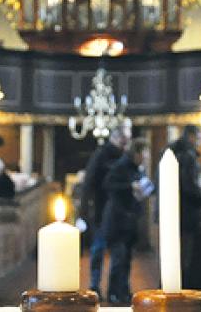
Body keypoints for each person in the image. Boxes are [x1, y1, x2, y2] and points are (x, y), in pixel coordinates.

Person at [78, 126, 128, 295]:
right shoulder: (101, 154)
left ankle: (116, 288)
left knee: (118, 251)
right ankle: (94, 285)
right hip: (101, 207)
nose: (125, 142)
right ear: (116, 138)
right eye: (123, 139)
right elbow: (89, 182)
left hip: (120, 209)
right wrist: (84, 210)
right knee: (98, 248)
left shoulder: (124, 155)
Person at [101, 139, 149, 304]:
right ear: (137, 153)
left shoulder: (138, 168)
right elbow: (108, 184)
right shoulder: (121, 166)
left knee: (127, 259)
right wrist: (130, 186)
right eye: (144, 153)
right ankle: (113, 292)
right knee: (118, 258)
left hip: (130, 220)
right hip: (117, 220)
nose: (146, 157)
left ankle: (124, 291)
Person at [168, 125, 201, 289]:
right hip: (186, 213)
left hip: (176, 212)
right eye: (200, 137)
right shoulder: (187, 155)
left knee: (174, 258)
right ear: (191, 137)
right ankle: (181, 295)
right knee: (183, 258)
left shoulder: (176, 152)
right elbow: (188, 185)